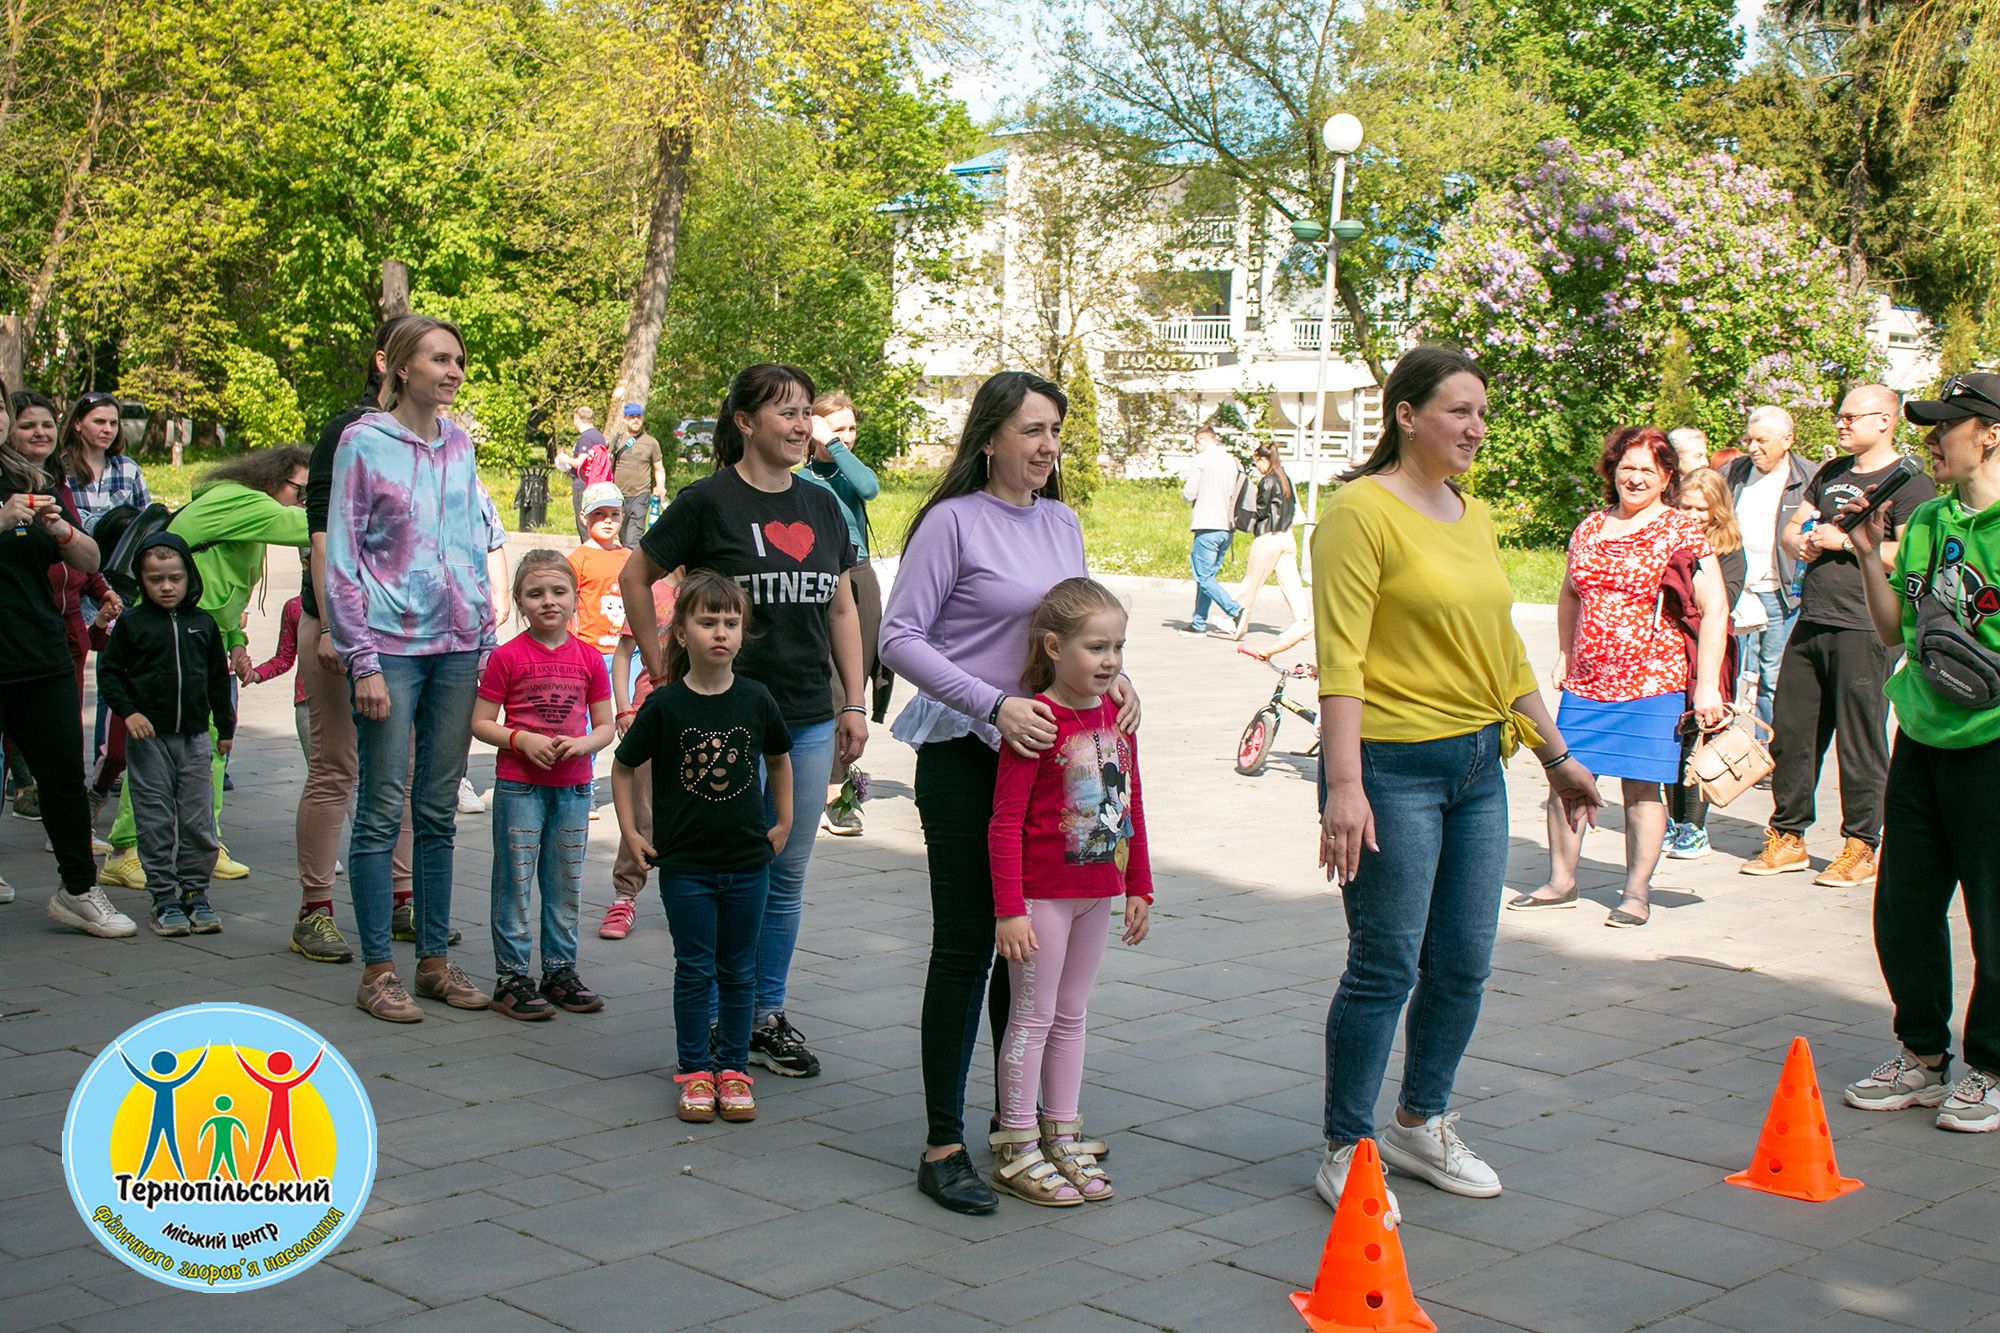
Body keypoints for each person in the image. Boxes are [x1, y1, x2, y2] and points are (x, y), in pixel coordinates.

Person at [1313, 346, 1599, 1211]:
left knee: (1464, 962)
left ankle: (1418, 1119)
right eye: (1458, 411)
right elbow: (1341, 659)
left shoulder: (1467, 512)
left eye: (1481, 412)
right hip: (1392, 769)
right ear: (1405, 414)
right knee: (1385, 963)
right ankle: (1346, 1145)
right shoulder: (1358, 513)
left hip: (1480, 762)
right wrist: (1344, 784)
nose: (1475, 428)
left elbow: (1501, 652)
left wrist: (1555, 753)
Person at [878, 369, 1141, 1216]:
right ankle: (943, 1143)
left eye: (1056, 432)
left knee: (1027, 955)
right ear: (989, 435)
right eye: (1032, 430)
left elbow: (1075, 624)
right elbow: (897, 638)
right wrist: (993, 704)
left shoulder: (1062, 522)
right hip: (968, 754)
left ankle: (1019, 1128)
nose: (1047, 447)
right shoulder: (952, 522)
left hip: (1053, 763)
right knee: (968, 948)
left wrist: (1118, 680)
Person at [619, 363, 869, 1079]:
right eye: (785, 413)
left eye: (805, 415)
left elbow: (842, 606)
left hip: (805, 719)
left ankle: (763, 1012)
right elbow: (638, 575)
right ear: (745, 422)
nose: (799, 426)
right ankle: (716, 1007)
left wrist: (852, 700)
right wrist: (657, 667)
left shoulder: (823, 505)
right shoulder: (708, 501)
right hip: (718, 723)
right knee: (718, 868)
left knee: (784, 874)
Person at [1839, 372, 2000, 1133]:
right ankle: (1923, 1055)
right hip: (1923, 738)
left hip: (1992, 748)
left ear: (1990, 435)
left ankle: (1993, 1065)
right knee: (1904, 906)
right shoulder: (1932, 519)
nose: (1932, 440)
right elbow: (1891, 631)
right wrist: (1870, 555)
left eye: (1948, 426)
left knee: (1993, 914)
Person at [327, 314, 500, 1022]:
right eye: (439, 359)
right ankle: (376, 969)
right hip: (390, 650)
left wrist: (486, 634)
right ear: (400, 366)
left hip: (459, 649)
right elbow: (341, 558)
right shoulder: (362, 443)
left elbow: (471, 536)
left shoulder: (459, 443)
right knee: (380, 809)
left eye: (459, 359)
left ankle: (432, 960)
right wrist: (361, 659)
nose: (454, 371)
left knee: (437, 811)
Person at [1511, 428, 1729, 926]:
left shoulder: (1679, 530)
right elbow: (1570, 594)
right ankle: (1561, 880)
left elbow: (1715, 608)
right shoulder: (1589, 527)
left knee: (1642, 787)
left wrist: (1708, 685)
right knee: (1566, 779)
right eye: (1627, 467)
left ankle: (1635, 893)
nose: (1634, 478)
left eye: (1647, 471)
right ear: (1612, 470)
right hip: (1589, 679)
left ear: (1667, 477)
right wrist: (1566, 652)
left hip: (1655, 680)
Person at [988, 578, 1152, 1206]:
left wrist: (1139, 883)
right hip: (1042, 898)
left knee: (1073, 1012)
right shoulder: (1037, 721)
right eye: (1096, 647)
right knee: (1033, 1014)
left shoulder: (1117, 717)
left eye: (1118, 648)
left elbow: (1130, 802)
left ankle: (1062, 1129)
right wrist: (1008, 909)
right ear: (1054, 646)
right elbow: (1004, 822)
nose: (1110, 661)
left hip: (1097, 892)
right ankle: (1019, 1142)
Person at [613, 571, 793, 1124]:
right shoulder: (665, 707)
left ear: (743, 633)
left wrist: (783, 820)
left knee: (739, 970)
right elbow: (622, 767)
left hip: (747, 863)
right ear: (683, 631)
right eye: (707, 621)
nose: (721, 632)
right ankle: (695, 1070)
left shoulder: (756, 699)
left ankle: (734, 1069)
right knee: (694, 969)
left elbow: (779, 760)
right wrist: (631, 832)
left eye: (731, 623)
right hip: (685, 866)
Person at [1745, 384, 1936, 885]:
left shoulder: (1910, 484)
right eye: (1840, 415)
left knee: (1860, 739)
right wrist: (1802, 541)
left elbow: (1914, 554)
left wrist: (1848, 543)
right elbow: (1792, 529)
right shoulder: (1830, 473)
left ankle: (1861, 844)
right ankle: (1787, 836)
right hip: (1812, 617)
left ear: (1885, 421)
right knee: (1793, 732)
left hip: (1866, 625)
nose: (1841, 423)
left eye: (1852, 416)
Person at [97, 447, 311, 889]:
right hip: (164, 639)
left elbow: (227, 589)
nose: (306, 499)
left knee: (212, 747)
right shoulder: (241, 501)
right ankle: (127, 849)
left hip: (201, 639)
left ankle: (204, 844)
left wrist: (234, 641)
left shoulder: (249, 513)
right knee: (155, 742)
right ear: (272, 479)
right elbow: (307, 527)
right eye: (303, 490)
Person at [293, 317, 418, 966]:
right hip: (341, 625)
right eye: (429, 356)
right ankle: (315, 910)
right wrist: (335, 627)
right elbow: (323, 537)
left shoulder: (431, 439)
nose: (446, 370)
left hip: (407, 631)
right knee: (338, 766)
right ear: (386, 362)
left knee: (399, 770)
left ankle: (401, 900)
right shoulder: (345, 432)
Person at [0, 384, 134, 936]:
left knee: (60, 777)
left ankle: (78, 889)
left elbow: (89, 556)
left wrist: (61, 530)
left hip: (39, 648)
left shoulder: (35, 478)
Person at [472, 551, 616, 1021]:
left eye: (559, 591)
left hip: (573, 788)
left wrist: (582, 746)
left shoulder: (590, 658)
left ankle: (560, 971)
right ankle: (511, 977)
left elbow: (604, 727)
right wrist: (520, 739)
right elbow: (480, 722)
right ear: (519, 602)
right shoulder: (506, 657)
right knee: (514, 882)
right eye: (535, 594)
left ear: (577, 598)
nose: (548, 602)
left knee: (565, 882)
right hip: (519, 787)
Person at [97, 534, 235, 937]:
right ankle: (163, 897)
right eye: (155, 579)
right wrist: (130, 713)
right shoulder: (133, 624)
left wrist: (224, 728)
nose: (167, 586)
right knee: (155, 821)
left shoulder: (203, 624)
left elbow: (216, 679)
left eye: (174, 577)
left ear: (189, 577)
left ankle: (196, 892)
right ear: (141, 581)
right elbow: (110, 674)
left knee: (198, 821)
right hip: (149, 742)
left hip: (194, 739)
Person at [800, 390, 883, 837]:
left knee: (856, 683)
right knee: (828, 683)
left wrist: (832, 444)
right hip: (821, 582)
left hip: (859, 577)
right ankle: (831, 791)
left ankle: (836, 782)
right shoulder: (802, 478)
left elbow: (869, 487)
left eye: (851, 428)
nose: (846, 437)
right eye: (836, 428)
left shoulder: (849, 473)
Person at [1664, 468, 1748, 859]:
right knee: (1673, 737)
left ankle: (1695, 826)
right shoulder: (1665, 537)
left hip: (1710, 650)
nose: (1693, 514)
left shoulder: (1728, 547)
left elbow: (1719, 601)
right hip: (1672, 649)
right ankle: (1673, 821)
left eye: (1702, 508)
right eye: (1686, 506)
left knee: (1702, 736)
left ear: (1717, 510)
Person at [1723, 406, 1815, 726]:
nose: (1752, 447)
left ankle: (1765, 754)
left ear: (1787, 440)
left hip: (1780, 593)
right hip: (1734, 591)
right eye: (1749, 439)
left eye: (1762, 440)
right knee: (1729, 676)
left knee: (1771, 678)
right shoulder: (1732, 473)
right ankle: (1721, 757)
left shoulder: (1809, 478)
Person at [601, 575, 677, 940]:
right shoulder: (651, 590)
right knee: (641, 809)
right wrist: (623, 708)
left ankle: (688, 894)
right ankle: (625, 894)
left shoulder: (712, 584)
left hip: (697, 712)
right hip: (648, 712)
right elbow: (622, 653)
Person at [1227, 442, 1307, 642]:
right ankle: (1302, 621)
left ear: (1264, 459)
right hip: (1286, 536)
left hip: (1268, 536)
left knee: (1252, 580)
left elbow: (1261, 511)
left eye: (1257, 462)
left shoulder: (1267, 481)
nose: (1257, 467)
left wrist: (1253, 498)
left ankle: (1234, 616)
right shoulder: (1284, 478)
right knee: (1290, 581)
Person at [1179, 425, 1243, 637]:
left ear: (1202, 441)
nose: (1196, 448)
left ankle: (1236, 611)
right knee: (1207, 577)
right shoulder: (1231, 460)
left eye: (1196, 444)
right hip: (1226, 527)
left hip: (1206, 525)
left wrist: (1184, 495)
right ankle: (1198, 623)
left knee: (1204, 578)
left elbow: (1189, 492)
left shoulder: (1201, 459)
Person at [610, 402, 665, 549]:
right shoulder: (617, 440)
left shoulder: (651, 442)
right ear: (625, 419)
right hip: (619, 495)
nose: (635, 420)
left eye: (638, 417)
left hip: (641, 494)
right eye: (632, 417)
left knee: (634, 537)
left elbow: (658, 468)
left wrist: (660, 486)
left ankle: (631, 566)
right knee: (623, 533)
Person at [555, 406, 612, 540]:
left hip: (583, 486)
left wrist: (565, 459)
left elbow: (582, 461)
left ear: (577, 418)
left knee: (584, 523)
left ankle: (589, 553)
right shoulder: (598, 436)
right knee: (594, 521)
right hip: (596, 484)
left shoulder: (586, 438)